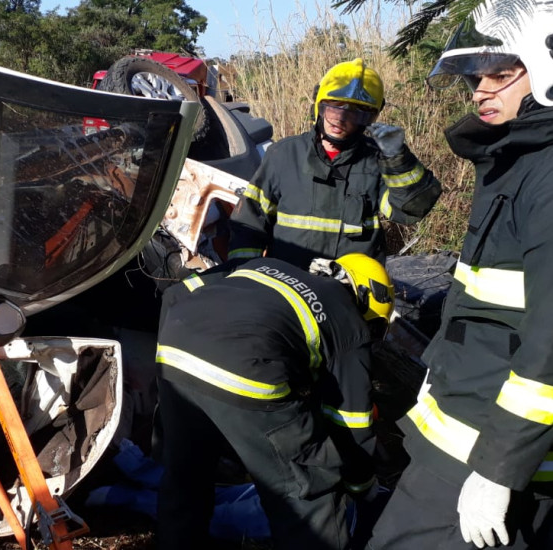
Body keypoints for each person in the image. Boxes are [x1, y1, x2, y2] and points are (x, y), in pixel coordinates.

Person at [366, 2, 553, 548]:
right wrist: (438, 362)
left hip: (486, 447)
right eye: (475, 78)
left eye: (500, 74)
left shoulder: (544, 173)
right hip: (465, 416)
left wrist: (499, 468)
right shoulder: (515, 159)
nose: (479, 91)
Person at [154, 253, 395, 549]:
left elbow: (178, 292)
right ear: (366, 302)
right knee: (305, 494)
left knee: (185, 477)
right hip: (248, 373)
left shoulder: (267, 266)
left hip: (174, 350)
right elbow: (351, 422)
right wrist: (362, 485)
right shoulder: (350, 322)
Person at [228, 58, 442, 269]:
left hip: (349, 291)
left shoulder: (378, 160)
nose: (340, 119)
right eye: (334, 107)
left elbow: (409, 211)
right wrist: (245, 274)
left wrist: (398, 158)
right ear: (318, 104)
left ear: (372, 116)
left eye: (355, 113)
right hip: (289, 286)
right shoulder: (283, 155)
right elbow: (249, 223)